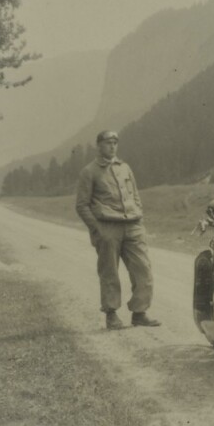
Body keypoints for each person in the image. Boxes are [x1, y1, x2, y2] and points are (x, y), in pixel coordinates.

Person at [76, 130, 161, 330]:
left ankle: (139, 313)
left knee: (143, 269)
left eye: (115, 142)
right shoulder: (89, 172)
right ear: (99, 146)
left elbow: (135, 195)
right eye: (107, 142)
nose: (112, 146)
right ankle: (111, 315)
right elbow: (81, 205)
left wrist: (138, 214)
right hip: (108, 228)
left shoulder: (125, 168)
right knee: (109, 273)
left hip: (133, 225)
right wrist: (97, 229)